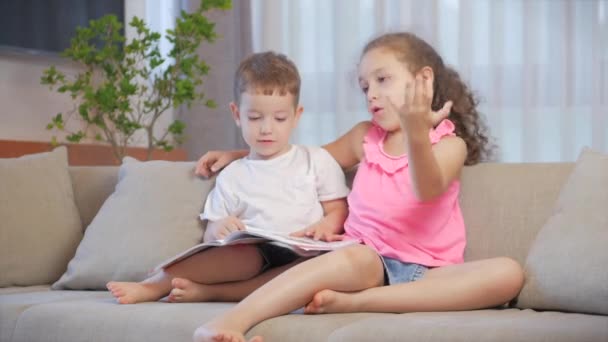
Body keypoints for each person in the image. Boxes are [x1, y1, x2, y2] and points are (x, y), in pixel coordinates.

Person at [192, 32, 525, 342]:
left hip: (429, 275)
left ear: (423, 80)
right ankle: (235, 318)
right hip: (366, 261)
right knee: (355, 258)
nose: (372, 94)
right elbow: (302, 162)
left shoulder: (450, 144)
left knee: (508, 274)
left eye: (382, 80)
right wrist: (241, 155)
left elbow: (427, 189)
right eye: (365, 87)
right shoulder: (364, 136)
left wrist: (416, 132)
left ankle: (356, 303)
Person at [106, 51, 351, 305]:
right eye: (254, 118)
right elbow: (212, 233)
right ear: (236, 114)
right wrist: (217, 229)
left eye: (279, 118)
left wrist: (326, 226)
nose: (266, 128)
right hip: (255, 254)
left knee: (311, 271)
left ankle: (209, 293)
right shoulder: (233, 173)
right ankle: (154, 285)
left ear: (297, 116)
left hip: (305, 254)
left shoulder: (316, 160)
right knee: (242, 259)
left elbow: (338, 210)